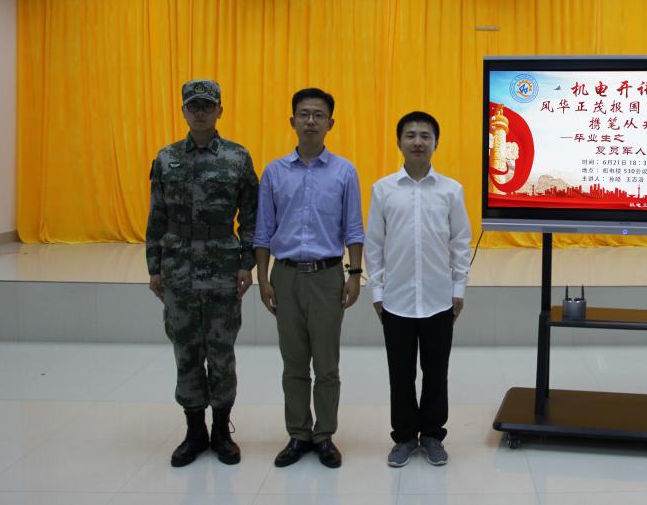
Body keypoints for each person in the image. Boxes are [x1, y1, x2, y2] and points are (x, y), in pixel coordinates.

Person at [146, 79, 259, 468]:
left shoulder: (237, 158)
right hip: (178, 268)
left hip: (222, 267)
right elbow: (156, 216)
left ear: (220, 111)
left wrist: (247, 263)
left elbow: (251, 218)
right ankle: (194, 431)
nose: (200, 112)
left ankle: (221, 431)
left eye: (207, 106)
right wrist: (154, 266)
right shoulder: (166, 159)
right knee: (186, 350)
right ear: (183, 111)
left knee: (221, 351)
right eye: (193, 106)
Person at [254, 87, 364, 469]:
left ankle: (325, 435)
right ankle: (298, 433)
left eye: (318, 115)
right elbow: (263, 230)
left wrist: (354, 274)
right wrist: (263, 279)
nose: (311, 121)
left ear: (331, 123)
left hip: (327, 276)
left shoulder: (344, 171)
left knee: (327, 365)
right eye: (304, 114)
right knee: (294, 363)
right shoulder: (274, 172)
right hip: (285, 277)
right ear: (292, 121)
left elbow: (353, 228)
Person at [365, 111, 472, 468]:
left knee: (436, 372)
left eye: (425, 136)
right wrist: (377, 293)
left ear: (436, 143)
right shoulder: (383, 189)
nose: (418, 142)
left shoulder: (451, 190)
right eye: (410, 135)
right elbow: (374, 244)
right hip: (396, 300)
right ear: (399, 142)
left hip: (439, 299)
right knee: (401, 374)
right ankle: (404, 437)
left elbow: (460, 241)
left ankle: (432, 435)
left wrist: (459, 287)